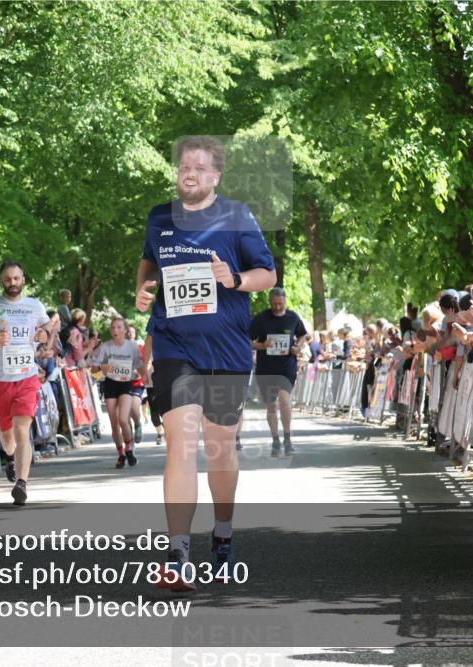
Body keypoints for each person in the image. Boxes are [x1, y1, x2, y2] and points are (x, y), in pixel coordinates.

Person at [135, 135, 276, 590]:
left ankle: (223, 530)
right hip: (176, 348)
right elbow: (148, 265)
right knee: (181, 443)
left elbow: (267, 275)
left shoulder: (237, 217)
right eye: (183, 167)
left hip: (228, 351)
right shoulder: (160, 217)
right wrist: (143, 291)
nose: (189, 173)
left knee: (219, 451)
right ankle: (177, 553)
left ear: (215, 176)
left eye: (199, 168)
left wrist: (233, 278)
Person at [0, 261, 58, 506]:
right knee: (7, 436)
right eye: (8, 279)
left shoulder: (34, 305)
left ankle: (22, 484)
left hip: (27, 376)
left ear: (23, 280)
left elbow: (45, 334)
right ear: (1, 281)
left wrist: (44, 336)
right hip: (0, 379)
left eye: (17, 278)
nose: (13, 283)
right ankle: (10, 457)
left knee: (22, 430)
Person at [249, 287, 308, 456]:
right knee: (271, 405)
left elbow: (303, 335)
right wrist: (261, 346)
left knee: (284, 399)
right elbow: (247, 341)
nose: (277, 307)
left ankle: (287, 438)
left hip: (286, 366)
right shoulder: (261, 319)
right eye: (274, 304)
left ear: (285, 302)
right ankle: (275, 439)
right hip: (266, 367)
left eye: (280, 304)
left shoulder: (293, 317)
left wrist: (298, 346)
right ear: (270, 302)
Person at [90, 317, 145, 468]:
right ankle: (120, 454)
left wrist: (144, 376)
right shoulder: (106, 347)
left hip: (125, 384)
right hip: (110, 385)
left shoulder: (132, 346)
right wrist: (101, 368)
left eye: (119, 327)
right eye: (113, 327)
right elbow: (93, 370)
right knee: (114, 424)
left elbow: (140, 366)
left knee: (123, 420)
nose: (115, 330)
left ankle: (129, 448)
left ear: (126, 330)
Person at [126, 324, 145, 444]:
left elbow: (145, 362)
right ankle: (129, 441)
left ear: (135, 334)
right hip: (122, 383)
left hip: (137, 383)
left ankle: (138, 424)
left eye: (132, 332)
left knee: (133, 407)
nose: (129, 334)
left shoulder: (140, 347)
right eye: (127, 332)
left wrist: (140, 372)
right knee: (124, 413)